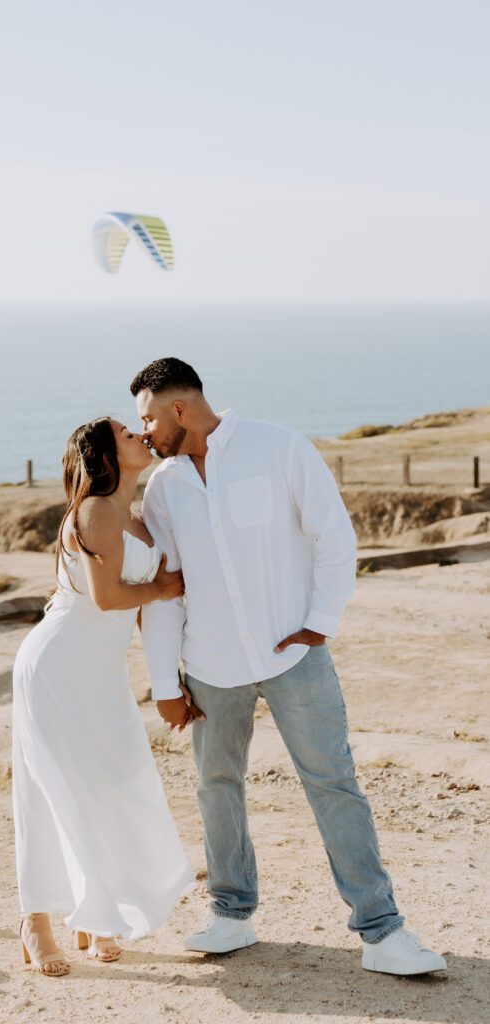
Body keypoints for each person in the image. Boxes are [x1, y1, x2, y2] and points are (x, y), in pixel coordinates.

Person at [132, 356, 447, 976]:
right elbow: (168, 591)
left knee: (333, 783)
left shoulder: (279, 448)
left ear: (179, 408)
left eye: (147, 418)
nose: (142, 432)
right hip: (211, 666)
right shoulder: (163, 486)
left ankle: (382, 933)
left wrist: (322, 620)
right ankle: (231, 914)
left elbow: (334, 535)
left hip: (293, 656)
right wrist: (165, 682)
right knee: (215, 786)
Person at [11, 415, 198, 977]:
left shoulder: (137, 518)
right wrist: (163, 586)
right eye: (124, 431)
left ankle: (96, 914)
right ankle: (37, 922)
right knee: (54, 790)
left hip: (101, 673)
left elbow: (141, 616)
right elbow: (108, 596)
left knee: (112, 785)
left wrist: (169, 676)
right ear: (104, 454)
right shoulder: (93, 509)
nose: (138, 433)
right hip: (57, 666)